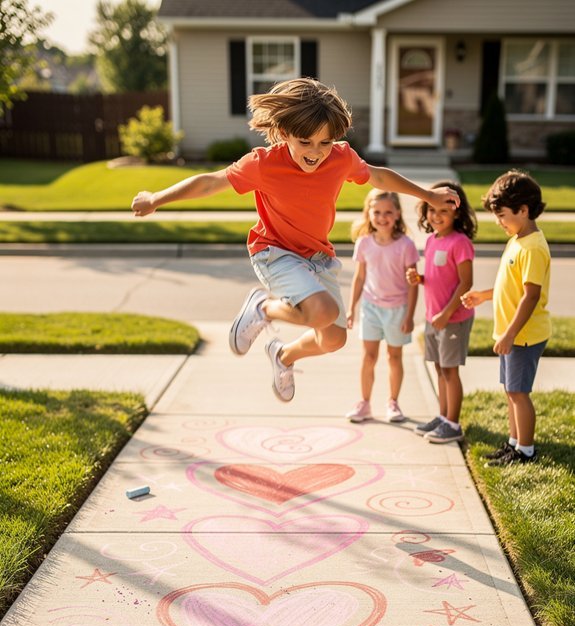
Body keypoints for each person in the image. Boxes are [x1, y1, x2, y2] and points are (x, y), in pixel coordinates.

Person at [131, 78, 459, 403]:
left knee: (334, 339)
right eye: (305, 142)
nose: (316, 152)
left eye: (325, 142)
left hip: (317, 257)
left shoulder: (340, 158)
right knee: (322, 311)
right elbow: (209, 183)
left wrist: (428, 194)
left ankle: (283, 356)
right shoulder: (263, 164)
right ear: (284, 132)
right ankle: (263, 308)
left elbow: (379, 176)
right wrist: (156, 199)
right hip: (274, 251)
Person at [461, 170, 551, 465]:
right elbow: (509, 286)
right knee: (511, 391)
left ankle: (526, 450)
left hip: (523, 336)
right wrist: (483, 295)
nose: (499, 222)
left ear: (523, 210)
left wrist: (510, 334)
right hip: (512, 334)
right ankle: (514, 443)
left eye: (502, 215)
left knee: (519, 393)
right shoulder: (518, 240)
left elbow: (531, 296)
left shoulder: (533, 247)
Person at [406, 180, 477, 443]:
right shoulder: (432, 240)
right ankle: (443, 416)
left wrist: (447, 313)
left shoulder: (460, 243)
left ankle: (453, 424)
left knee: (450, 371)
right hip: (434, 317)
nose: (437, 216)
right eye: (432, 210)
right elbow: (439, 277)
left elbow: (465, 283)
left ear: (457, 213)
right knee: (439, 368)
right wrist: (420, 279)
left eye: (444, 211)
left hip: (452, 318)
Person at [345, 189, 419, 423]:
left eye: (388, 212)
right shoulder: (364, 243)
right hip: (370, 308)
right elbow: (359, 278)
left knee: (394, 357)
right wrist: (351, 308)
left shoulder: (406, 245)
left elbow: (413, 284)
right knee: (368, 357)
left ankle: (393, 403)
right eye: (376, 212)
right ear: (368, 213)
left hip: (397, 310)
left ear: (397, 214)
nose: (382, 217)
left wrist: (409, 315)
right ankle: (364, 403)